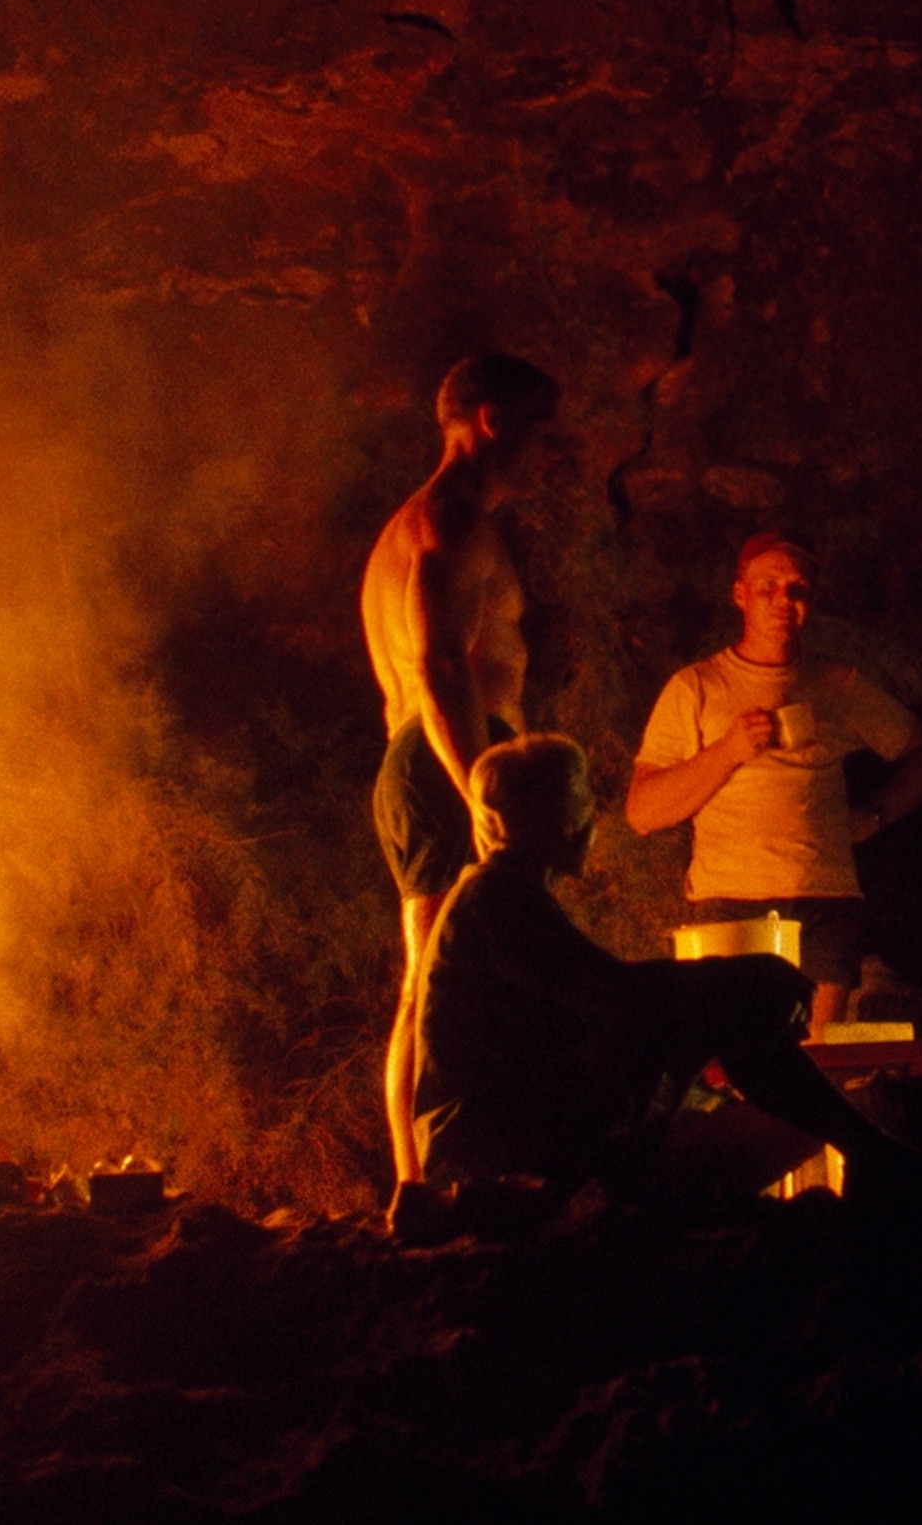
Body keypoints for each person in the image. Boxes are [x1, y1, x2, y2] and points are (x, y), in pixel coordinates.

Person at [410, 734, 922, 1195]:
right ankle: (870, 1150)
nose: (592, 818)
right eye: (583, 800)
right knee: (719, 1006)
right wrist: (748, 977)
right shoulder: (497, 901)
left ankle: (866, 1149)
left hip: (504, 1131)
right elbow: (616, 994)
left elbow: (611, 995)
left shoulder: (503, 896)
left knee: (719, 1009)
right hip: (489, 1145)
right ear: (556, 816)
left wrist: (735, 985)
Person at [360, 352, 560, 1209]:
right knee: (432, 978)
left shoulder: (430, 522)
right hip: (447, 761)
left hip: (446, 759)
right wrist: (478, 777)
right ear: (489, 419)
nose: (547, 449)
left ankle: (453, 1174)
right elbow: (439, 658)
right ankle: (415, 1186)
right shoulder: (448, 521)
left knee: (464, 980)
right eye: (538, 426)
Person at [627, 534, 922, 1030]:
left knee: (818, 1059)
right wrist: (728, 750)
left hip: (824, 896)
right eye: (768, 588)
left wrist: (874, 815)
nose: (784, 600)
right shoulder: (697, 687)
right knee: (736, 1056)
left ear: (811, 600)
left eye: (797, 589)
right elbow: (643, 812)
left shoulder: (839, 684)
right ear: (741, 595)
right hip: (730, 898)